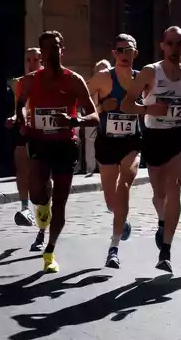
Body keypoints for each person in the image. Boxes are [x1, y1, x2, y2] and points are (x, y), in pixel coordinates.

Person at [14, 30, 99, 273]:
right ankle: (42, 205)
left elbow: (94, 116)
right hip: (39, 141)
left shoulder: (74, 80)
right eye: (47, 48)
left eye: (56, 47)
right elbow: (20, 106)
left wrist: (75, 121)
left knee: (60, 202)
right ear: (42, 53)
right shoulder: (30, 80)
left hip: (65, 145)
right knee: (36, 191)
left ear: (62, 50)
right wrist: (20, 119)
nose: (52, 51)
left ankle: (50, 251)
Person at [124, 26, 181, 273]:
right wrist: (148, 109)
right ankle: (162, 221)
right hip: (155, 136)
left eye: (179, 44)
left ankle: (165, 251)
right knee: (159, 194)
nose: (174, 48)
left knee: (174, 188)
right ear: (162, 46)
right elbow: (127, 104)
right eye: (170, 43)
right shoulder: (150, 72)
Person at [86, 35, 141, 269]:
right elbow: (83, 101)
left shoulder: (142, 78)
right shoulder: (102, 78)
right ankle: (121, 217)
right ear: (114, 53)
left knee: (125, 184)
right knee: (111, 200)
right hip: (106, 142)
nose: (124, 55)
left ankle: (114, 247)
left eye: (128, 50)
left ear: (135, 53)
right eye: (120, 50)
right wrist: (101, 107)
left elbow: (155, 100)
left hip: (131, 142)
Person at [9, 47, 43, 227]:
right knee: (21, 168)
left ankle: (43, 210)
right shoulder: (20, 83)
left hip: (42, 130)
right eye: (28, 60)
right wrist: (14, 118)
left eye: (35, 60)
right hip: (24, 128)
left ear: (42, 61)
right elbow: (19, 107)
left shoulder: (48, 80)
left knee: (41, 173)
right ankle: (25, 208)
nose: (31, 64)